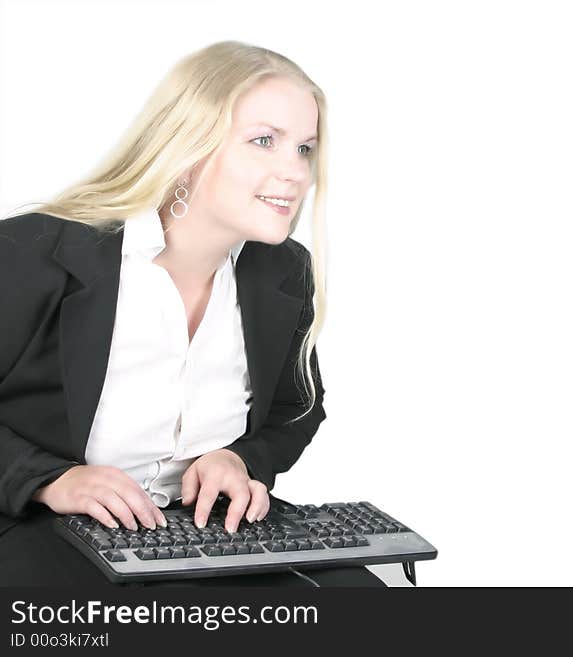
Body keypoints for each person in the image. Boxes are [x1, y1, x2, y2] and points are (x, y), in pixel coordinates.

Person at [0, 41, 385, 587]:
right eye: (263, 141)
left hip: (201, 531)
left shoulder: (282, 271)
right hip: (43, 529)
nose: (295, 172)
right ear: (187, 146)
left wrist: (241, 460)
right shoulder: (31, 252)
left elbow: (297, 410)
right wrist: (45, 480)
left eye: (304, 149)